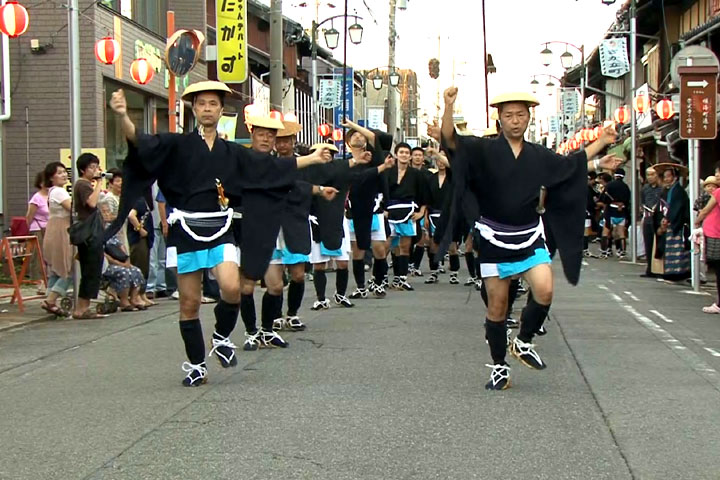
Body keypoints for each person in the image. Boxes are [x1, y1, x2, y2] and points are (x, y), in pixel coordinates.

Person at [108, 81, 330, 386]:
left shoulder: (232, 151)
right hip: (185, 227)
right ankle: (197, 364)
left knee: (231, 286)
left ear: (221, 109)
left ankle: (221, 336)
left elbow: (267, 168)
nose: (208, 109)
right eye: (202, 104)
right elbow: (141, 143)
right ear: (194, 109)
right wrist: (122, 115)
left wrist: (312, 158)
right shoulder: (178, 144)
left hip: (221, 226)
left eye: (213, 104)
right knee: (190, 302)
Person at [440, 87, 620, 390]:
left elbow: (571, 164)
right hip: (494, 238)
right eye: (508, 115)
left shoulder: (539, 156)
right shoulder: (482, 150)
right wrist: (448, 106)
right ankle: (499, 365)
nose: (514, 120)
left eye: (520, 115)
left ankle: (523, 341)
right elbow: (449, 139)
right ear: (499, 119)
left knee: (545, 289)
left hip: (529, 236)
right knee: (497, 307)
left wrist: (602, 141)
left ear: (528, 118)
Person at [340, 118, 393, 299]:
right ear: (347, 142)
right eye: (353, 135)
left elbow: (373, 138)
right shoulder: (346, 162)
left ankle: (378, 282)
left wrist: (353, 125)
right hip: (353, 210)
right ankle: (361, 286)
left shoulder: (373, 158)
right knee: (358, 250)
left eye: (360, 135)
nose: (358, 137)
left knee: (379, 248)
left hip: (374, 208)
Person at [386, 142, 427, 291]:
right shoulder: (388, 171)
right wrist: (383, 209)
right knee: (387, 245)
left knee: (404, 246)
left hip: (408, 211)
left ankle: (402, 278)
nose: (404, 155)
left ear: (409, 156)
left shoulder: (417, 174)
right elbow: (382, 192)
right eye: (401, 152)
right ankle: (382, 277)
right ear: (396, 154)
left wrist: (422, 212)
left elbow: (424, 195)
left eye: (406, 152)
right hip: (389, 210)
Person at [72, 152, 107, 319]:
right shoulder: (83, 185)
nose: (95, 170)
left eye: (96, 167)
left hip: (91, 232)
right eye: (91, 167)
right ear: (82, 169)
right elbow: (92, 203)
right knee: (91, 269)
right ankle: (82, 308)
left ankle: (82, 307)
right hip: (89, 234)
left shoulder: (85, 185)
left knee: (91, 269)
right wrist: (99, 182)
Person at [98, 195, 147, 311]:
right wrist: (118, 263)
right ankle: (124, 301)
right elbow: (102, 252)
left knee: (136, 270)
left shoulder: (111, 228)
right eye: (103, 212)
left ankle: (134, 298)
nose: (107, 214)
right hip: (105, 263)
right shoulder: (97, 229)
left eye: (108, 211)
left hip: (118, 260)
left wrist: (127, 260)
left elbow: (120, 246)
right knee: (123, 272)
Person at [40, 162, 73, 316]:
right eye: (59, 173)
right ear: (51, 177)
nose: (64, 175)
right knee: (68, 267)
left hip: (54, 229)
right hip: (61, 230)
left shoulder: (54, 191)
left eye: (64, 172)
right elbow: (73, 209)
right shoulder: (59, 192)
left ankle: (49, 300)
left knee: (56, 269)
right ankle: (51, 300)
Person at [652, 166, 690, 281]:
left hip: (676, 223)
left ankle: (677, 274)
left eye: (669, 177)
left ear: (675, 177)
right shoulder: (668, 190)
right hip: (669, 222)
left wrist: (667, 219)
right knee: (669, 249)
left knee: (676, 250)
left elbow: (677, 208)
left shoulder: (678, 191)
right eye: (665, 177)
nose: (666, 179)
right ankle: (670, 273)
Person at [696, 176, 720, 312]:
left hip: (715, 233)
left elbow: (705, 210)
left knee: (718, 269)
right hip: (714, 232)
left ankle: (719, 304)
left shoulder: (718, 193)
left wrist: (697, 221)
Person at [25, 171, 49, 293]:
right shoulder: (37, 197)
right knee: (38, 255)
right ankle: (39, 282)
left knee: (49, 255)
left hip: (50, 227)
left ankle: (48, 280)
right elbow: (29, 216)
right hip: (38, 228)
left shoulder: (53, 195)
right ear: (41, 183)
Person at [640, 166, 662, 277]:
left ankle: (659, 269)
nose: (650, 177)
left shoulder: (661, 189)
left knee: (658, 244)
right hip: (648, 218)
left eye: (652, 174)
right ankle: (650, 268)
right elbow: (642, 201)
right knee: (648, 244)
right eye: (648, 175)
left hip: (659, 219)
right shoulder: (645, 188)